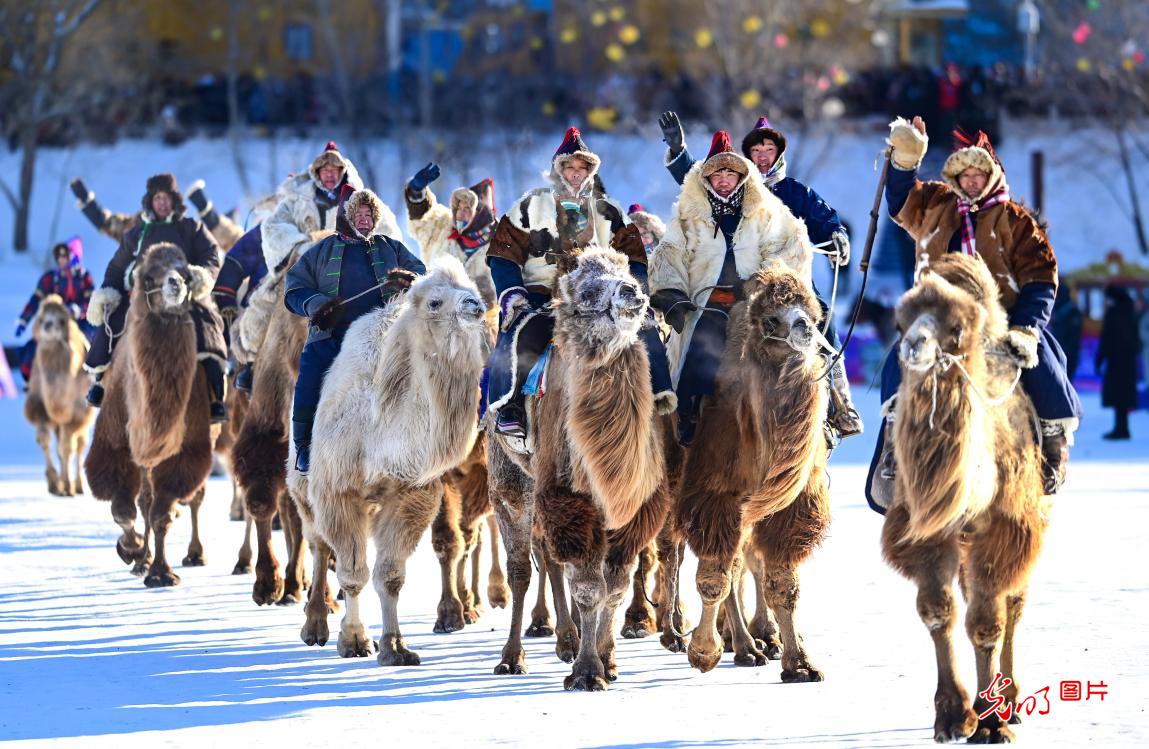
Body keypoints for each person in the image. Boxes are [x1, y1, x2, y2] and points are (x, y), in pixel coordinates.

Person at [871, 116, 1082, 499]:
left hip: (1001, 319)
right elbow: (901, 201)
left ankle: (1053, 443)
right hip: (938, 318)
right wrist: (905, 161)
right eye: (964, 175)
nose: (970, 181)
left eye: (978, 174)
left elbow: (1041, 278)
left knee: (1045, 363)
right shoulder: (936, 205)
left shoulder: (1017, 222)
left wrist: (1026, 328)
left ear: (992, 175)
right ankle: (893, 438)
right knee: (901, 358)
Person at [658, 111, 863, 440]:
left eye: (769, 150)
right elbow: (702, 179)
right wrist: (679, 152)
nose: (763, 157)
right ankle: (686, 407)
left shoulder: (792, 192)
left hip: (789, 278)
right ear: (747, 158)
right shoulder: (736, 193)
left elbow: (822, 216)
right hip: (736, 284)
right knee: (699, 333)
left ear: (779, 154)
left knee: (822, 318)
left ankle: (838, 401)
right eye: (756, 151)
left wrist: (835, 234)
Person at [485, 127, 674, 440]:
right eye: (569, 167)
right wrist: (512, 293)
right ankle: (512, 405)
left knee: (643, 328)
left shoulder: (608, 210)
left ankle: (658, 398)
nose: (575, 173)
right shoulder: (531, 205)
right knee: (523, 332)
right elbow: (503, 254)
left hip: (597, 297)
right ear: (559, 169)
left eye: (582, 168)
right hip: (542, 295)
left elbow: (635, 259)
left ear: (590, 171)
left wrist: (636, 296)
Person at [649, 131, 814, 446]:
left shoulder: (766, 211)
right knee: (700, 349)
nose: (724, 180)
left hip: (753, 304)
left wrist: (763, 285)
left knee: (788, 352)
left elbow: (790, 246)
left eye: (730, 173)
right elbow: (670, 253)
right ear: (706, 178)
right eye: (717, 174)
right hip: (704, 303)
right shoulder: (688, 214)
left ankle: (818, 412)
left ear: (742, 176)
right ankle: (686, 414)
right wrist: (673, 295)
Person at [284, 188, 425, 474]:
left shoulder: (391, 247)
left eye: (369, 214)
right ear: (346, 217)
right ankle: (304, 446)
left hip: (383, 337)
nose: (364, 219)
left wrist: (409, 280)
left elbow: (422, 275)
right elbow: (294, 288)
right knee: (309, 378)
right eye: (358, 214)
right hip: (331, 336)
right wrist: (316, 304)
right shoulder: (322, 250)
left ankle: (417, 444)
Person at [83, 173, 229, 422]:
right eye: (157, 198)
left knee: (206, 326)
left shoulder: (191, 228)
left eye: (166, 198)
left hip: (185, 294)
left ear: (174, 200)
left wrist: (197, 277)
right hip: (143, 295)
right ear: (150, 202)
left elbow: (211, 255)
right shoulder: (137, 233)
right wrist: (109, 291)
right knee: (114, 321)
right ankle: (102, 380)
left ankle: (215, 395)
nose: (161, 203)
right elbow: (117, 266)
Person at [405, 163, 498, 307]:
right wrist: (416, 192)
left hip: (484, 315)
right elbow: (422, 219)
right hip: (434, 311)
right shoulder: (441, 225)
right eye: (458, 207)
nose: (461, 212)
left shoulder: (500, 239)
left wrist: (486, 291)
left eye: (468, 207)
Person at [14, 238, 94, 382]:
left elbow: (92, 302)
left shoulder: (84, 277)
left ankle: (91, 377)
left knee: (90, 348)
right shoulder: (50, 278)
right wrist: (23, 320)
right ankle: (32, 379)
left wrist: (79, 310)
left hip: (80, 323)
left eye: (65, 255)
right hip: (55, 322)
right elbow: (36, 299)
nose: (61, 259)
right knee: (34, 347)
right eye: (59, 256)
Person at [1095, 285, 1141, 440]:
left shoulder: (1113, 313)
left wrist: (1099, 359)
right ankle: (1123, 427)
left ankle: (1120, 429)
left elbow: (1107, 339)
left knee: (1117, 395)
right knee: (1124, 395)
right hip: (1128, 361)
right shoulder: (1131, 312)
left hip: (1115, 361)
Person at [1051, 284, 1083, 381]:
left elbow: (1071, 338)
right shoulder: (1063, 311)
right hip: (1062, 353)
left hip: (1066, 354)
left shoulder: (1069, 312)